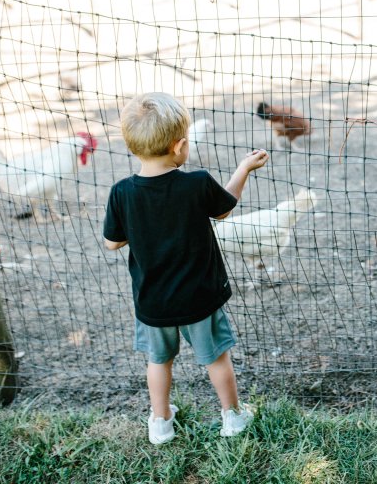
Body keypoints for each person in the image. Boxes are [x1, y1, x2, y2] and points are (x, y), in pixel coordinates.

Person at [103, 92, 269, 445]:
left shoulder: (122, 193)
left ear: (133, 146)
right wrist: (243, 168)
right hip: (199, 297)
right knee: (216, 359)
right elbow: (223, 209)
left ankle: (160, 422)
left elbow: (112, 242)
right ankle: (233, 417)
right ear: (180, 146)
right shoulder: (196, 183)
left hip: (153, 302)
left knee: (158, 361)